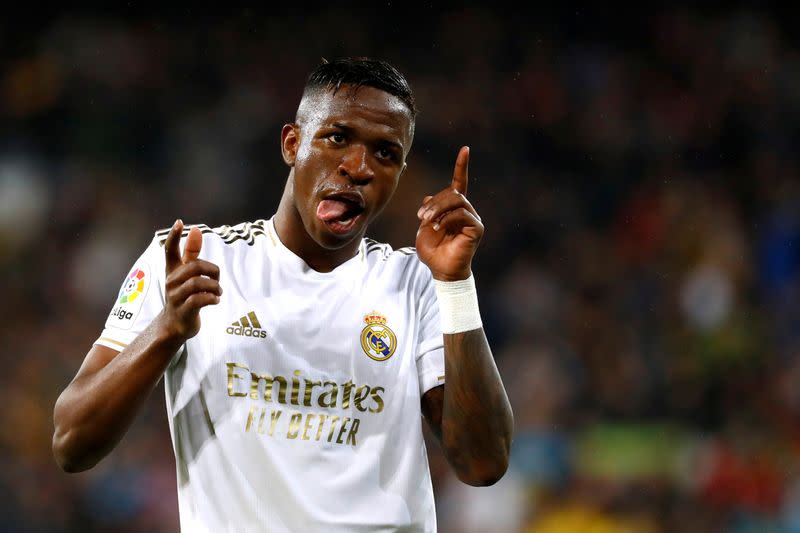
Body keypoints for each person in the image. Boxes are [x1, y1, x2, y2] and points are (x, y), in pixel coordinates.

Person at [52, 56, 513, 532]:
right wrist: (166, 330)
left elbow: (483, 464)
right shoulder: (190, 260)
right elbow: (72, 442)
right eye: (338, 138)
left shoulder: (416, 283)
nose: (358, 167)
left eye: (385, 153)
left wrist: (456, 285)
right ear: (293, 143)